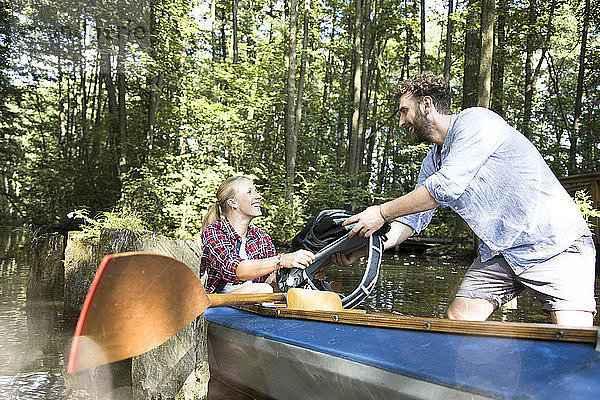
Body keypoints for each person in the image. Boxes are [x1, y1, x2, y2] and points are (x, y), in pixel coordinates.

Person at [338, 73, 596, 326]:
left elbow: (446, 186)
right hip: (503, 250)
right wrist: (362, 252)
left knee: (572, 337)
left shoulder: (476, 122)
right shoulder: (433, 161)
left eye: (405, 111)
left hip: (556, 244)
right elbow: (410, 221)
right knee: (459, 320)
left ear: (426, 105)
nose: (401, 122)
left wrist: (381, 212)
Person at [200, 175, 315, 294]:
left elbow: (271, 281)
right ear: (232, 203)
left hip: (255, 304)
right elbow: (236, 270)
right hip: (219, 306)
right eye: (249, 192)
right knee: (262, 289)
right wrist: (282, 260)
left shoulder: (261, 237)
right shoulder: (214, 232)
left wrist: (306, 272)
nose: (258, 196)